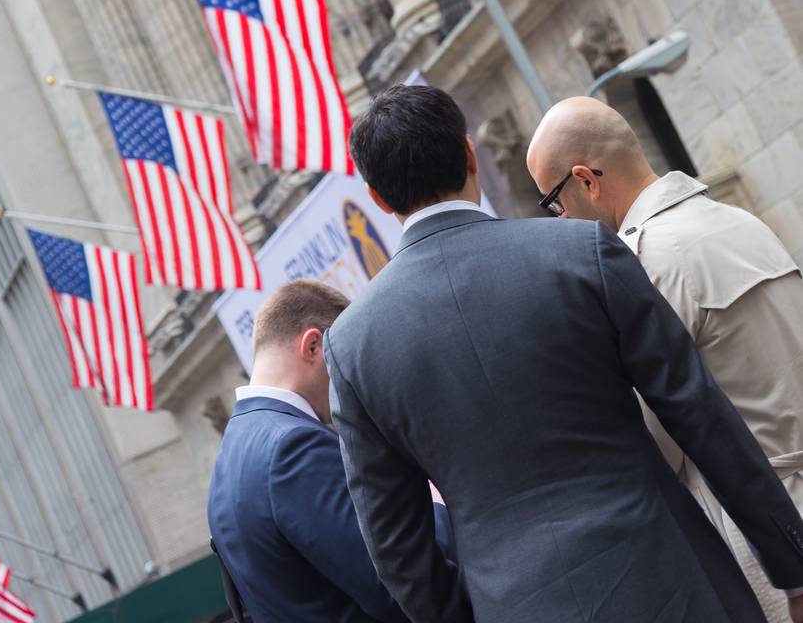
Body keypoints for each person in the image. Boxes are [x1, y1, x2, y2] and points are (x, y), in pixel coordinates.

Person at [325, 81, 803, 623]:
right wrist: (791, 565)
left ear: (379, 199)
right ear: (468, 154)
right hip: (675, 582)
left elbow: (395, 545)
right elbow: (702, 416)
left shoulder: (351, 346)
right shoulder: (584, 253)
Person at [527, 95, 803, 621]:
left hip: (770, 525)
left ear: (586, 180)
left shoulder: (643, 264)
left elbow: (658, 441)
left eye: (552, 202)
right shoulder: (732, 218)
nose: (559, 221)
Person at [207, 278, 464, 623]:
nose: (351, 375)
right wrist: (434, 498)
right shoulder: (293, 447)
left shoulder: (231, 457)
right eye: (343, 355)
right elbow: (397, 586)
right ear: (312, 346)